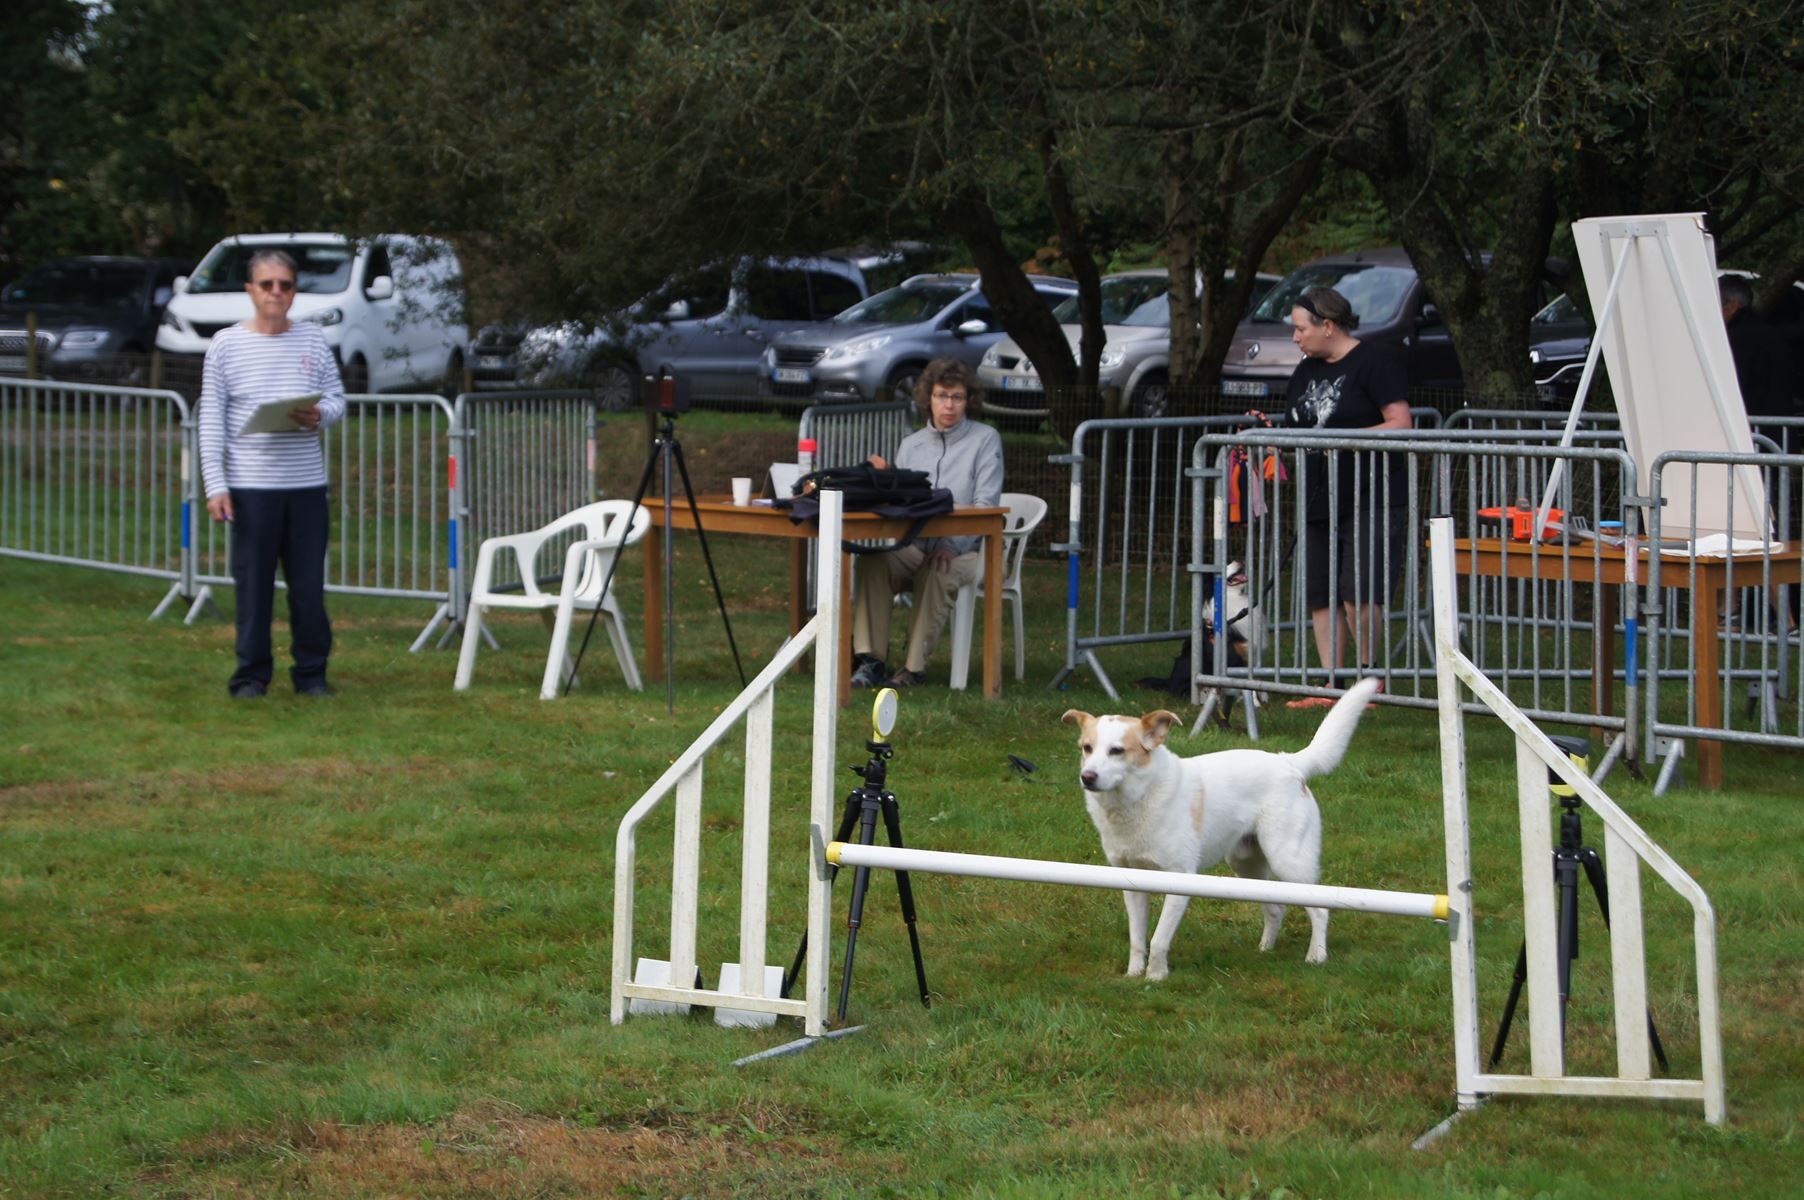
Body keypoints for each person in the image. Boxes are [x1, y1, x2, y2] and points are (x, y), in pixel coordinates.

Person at [1251, 286, 1411, 707]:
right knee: (1321, 594)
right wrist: (1274, 440)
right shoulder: (1306, 370)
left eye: (1301, 328)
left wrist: (1344, 440)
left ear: (1328, 325)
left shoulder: (1375, 363)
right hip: (1319, 495)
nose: (1295, 337)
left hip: (1372, 494)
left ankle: (1369, 683)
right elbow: (1301, 429)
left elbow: (1401, 423)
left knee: (1359, 593)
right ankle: (1331, 685)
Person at [198, 249, 346, 699]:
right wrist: (215, 485)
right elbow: (212, 419)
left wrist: (318, 415)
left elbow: (339, 400)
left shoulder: (313, 340)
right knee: (254, 587)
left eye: (285, 284)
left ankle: (311, 674)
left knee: (307, 589)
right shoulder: (226, 344)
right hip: (250, 487)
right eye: (267, 284)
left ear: (294, 291)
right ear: (250, 290)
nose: (276, 292)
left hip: (305, 487)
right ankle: (251, 676)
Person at [850, 358, 1004, 688]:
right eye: (941, 396)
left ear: (968, 401)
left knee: (939, 568)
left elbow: (986, 509)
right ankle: (871, 660)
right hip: (916, 545)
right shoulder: (911, 445)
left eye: (957, 397)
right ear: (928, 399)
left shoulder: (985, 439)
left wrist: (950, 544)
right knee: (872, 562)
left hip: (973, 552)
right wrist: (884, 481)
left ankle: (913, 669)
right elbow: (902, 505)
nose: (949, 405)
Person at [1719, 274, 1796, 419]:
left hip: (1751, 427)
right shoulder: (1772, 334)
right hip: (1778, 428)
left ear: (1732, 306)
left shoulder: (1735, 338)